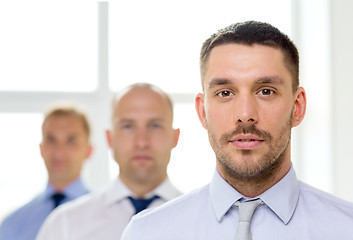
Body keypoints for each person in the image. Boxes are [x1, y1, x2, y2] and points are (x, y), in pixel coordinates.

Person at [121, 21, 353, 239]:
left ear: (297, 107)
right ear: (202, 111)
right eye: (225, 93)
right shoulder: (147, 233)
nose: (245, 114)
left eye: (266, 91)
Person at [36, 83, 182, 240]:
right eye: (127, 126)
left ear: (175, 137)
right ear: (109, 138)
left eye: (155, 126)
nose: (141, 142)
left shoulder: (205, 221)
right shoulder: (63, 226)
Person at [0, 104, 92, 240]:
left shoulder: (111, 217)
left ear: (88, 150)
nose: (59, 151)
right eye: (51, 140)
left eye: (71, 140)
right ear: (41, 148)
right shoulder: (11, 225)